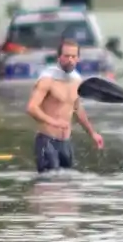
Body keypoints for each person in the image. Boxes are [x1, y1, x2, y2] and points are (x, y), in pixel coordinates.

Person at [25, 39, 104, 173]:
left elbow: (77, 109)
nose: (70, 60)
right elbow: (31, 108)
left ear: (78, 59)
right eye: (66, 56)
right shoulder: (47, 80)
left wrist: (92, 133)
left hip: (66, 143)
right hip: (47, 141)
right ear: (59, 57)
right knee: (50, 186)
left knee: (67, 187)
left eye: (73, 56)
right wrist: (54, 122)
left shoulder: (77, 80)